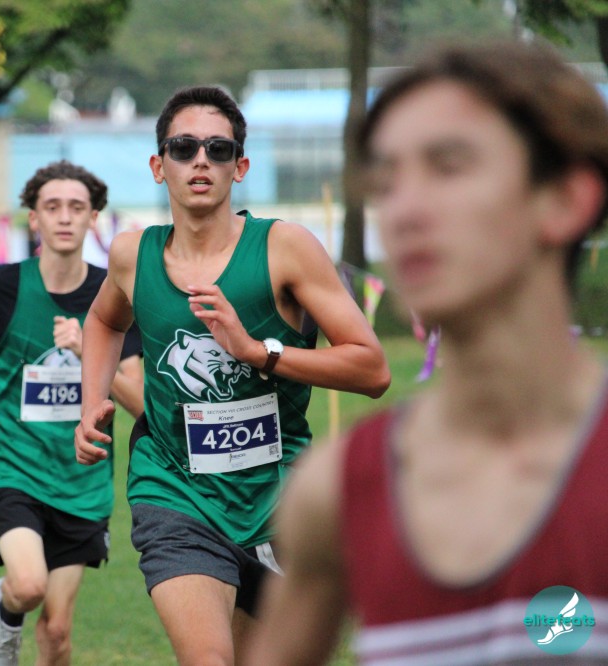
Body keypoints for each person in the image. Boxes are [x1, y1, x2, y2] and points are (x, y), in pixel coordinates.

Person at [244, 41, 608, 665]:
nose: (404, 211)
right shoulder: (337, 489)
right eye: (386, 182)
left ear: (566, 200)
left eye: (449, 167)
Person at [74, 85, 391, 665]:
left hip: (279, 500)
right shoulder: (131, 255)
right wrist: (92, 400)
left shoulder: (285, 248)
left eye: (218, 149)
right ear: (158, 165)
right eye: (184, 147)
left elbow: (372, 368)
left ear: (239, 167)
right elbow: (102, 321)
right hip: (175, 489)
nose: (201, 160)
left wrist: (256, 352)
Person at [0, 160, 144, 666]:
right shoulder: (0, 287)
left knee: (57, 631)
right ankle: (4, 616)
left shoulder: (116, 296)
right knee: (28, 585)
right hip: (10, 464)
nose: (64, 217)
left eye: (77, 207)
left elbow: (140, 402)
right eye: (52, 207)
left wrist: (88, 351)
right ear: (33, 218)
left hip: (82, 477)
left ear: (94, 218)